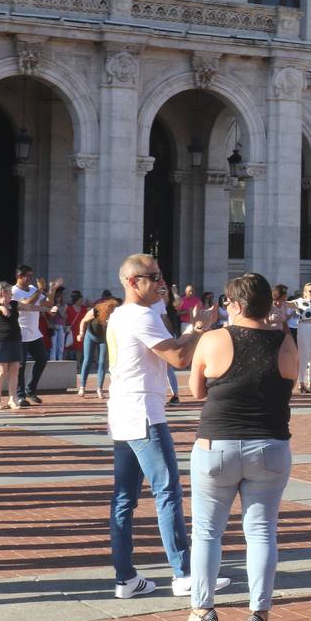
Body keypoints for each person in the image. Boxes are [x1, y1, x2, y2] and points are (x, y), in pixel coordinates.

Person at [175, 273, 297, 621]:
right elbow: (286, 387)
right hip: (270, 445)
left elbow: (195, 391)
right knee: (262, 533)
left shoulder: (213, 339)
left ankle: (200, 612)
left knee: (207, 533)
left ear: (237, 305)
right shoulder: (285, 342)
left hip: (217, 445)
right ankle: (259, 618)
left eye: (228, 301)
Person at [106, 254, 224, 600]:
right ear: (132, 281)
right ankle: (184, 572)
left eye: (161, 275)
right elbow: (179, 357)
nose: (160, 282)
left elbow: (169, 348)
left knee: (125, 496)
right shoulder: (141, 315)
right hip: (143, 411)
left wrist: (186, 328)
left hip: (125, 409)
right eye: (152, 277)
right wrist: (198, 330)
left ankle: (126, 577)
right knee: (167, 490)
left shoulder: (123, 314)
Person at [13, 266, 59, 407]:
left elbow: (48, 304)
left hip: (34, 333)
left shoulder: (33, 289)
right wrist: (39, 290)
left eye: (31, 276)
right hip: (20, 332)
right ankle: (20, 396)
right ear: (19, 276)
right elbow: (26, 304)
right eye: (27, 275)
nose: (29, 279)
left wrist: (52, 290)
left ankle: (30, 389)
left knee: (42, 359)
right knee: (20, 366)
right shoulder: (14, 291)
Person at [0, 283, 26, 410]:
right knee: (1, 370)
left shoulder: (14, 304)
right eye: (10, 292)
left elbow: (29, 307)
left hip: (15, 340)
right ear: (3, 292)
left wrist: (47, 310)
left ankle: (12, 399)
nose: (12, 294)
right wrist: (1, 309)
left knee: (15, 369)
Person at [77, 297, 118, 399]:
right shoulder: (95, 311)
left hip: (103, 338)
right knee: (88, 359)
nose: (110, 315)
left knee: (102, 362)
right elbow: (83, 321)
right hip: (91, 335)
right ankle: (82, 386)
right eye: (109, 312)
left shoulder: (116, 316)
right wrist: (81, 333)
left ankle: (99, 388)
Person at [291, 283, 311, 395]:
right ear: (305, 292)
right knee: (304, 355)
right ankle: (301, 382)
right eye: (310, 291)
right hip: (304, 326)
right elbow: (287, 304)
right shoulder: (299, 301)